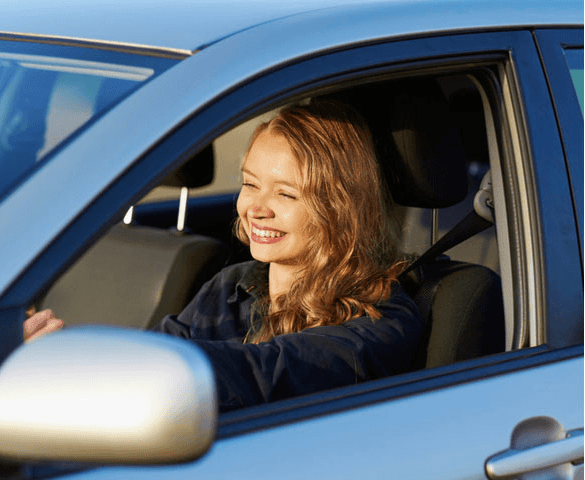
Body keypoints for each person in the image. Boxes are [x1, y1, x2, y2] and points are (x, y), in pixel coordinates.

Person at [25, 99, 424, 411]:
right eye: (251, 184)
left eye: (285, 193)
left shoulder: (381, 319)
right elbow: (161, 351)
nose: (257, 208)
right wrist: (56, 356)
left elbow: (262, 374)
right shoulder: (233, 285)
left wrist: (89, 360)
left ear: (339, 207)